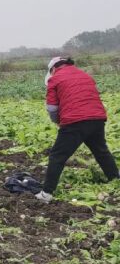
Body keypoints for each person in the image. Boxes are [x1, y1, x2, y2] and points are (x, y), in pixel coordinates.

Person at [35, 57, 119, 203]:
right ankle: (115, 180)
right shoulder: (85, 75)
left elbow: (52, 108)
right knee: (101, 151)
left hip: (74, 121)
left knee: (57, 156)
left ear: (53, 69)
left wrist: (58, 121)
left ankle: (46, 193)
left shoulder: (54, 79)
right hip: (97, 119)